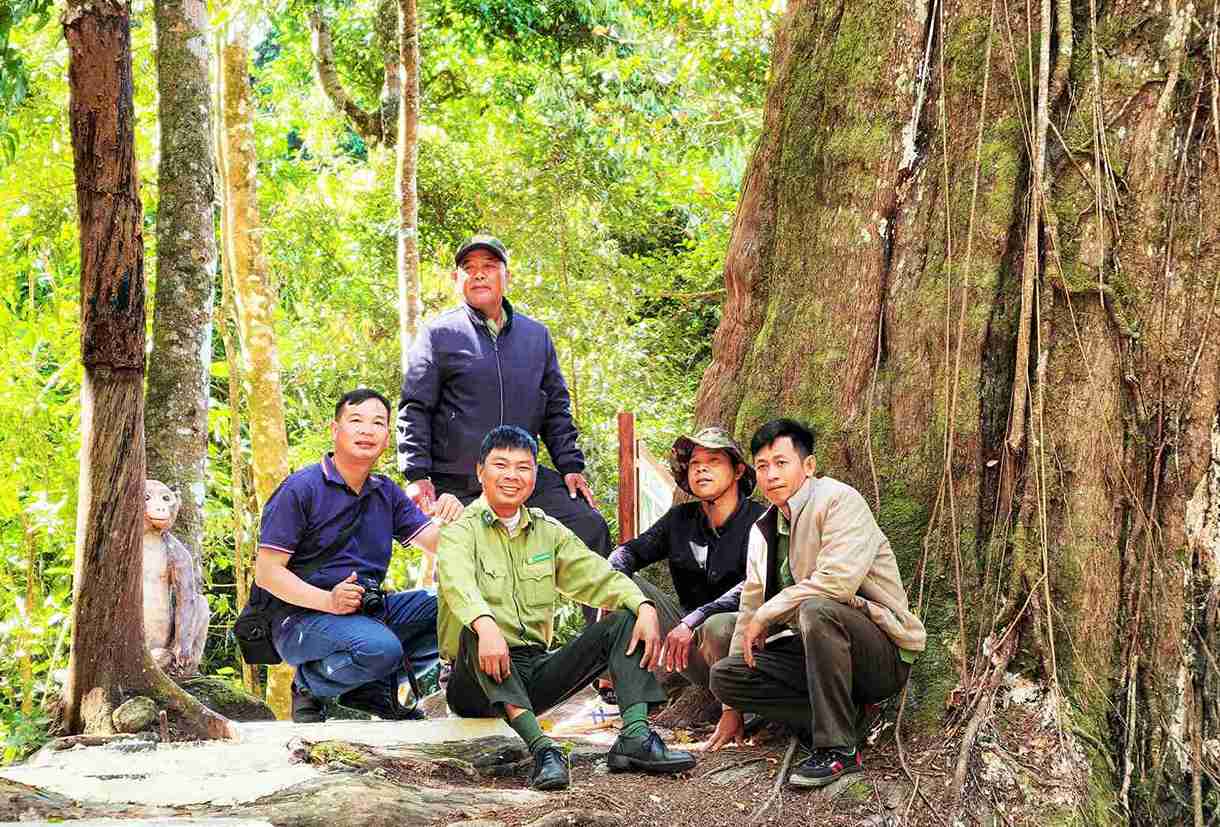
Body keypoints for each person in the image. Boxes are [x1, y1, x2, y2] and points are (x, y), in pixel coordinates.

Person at [436, 425, 696, 791]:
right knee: (477, 632)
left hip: (532, 670)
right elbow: (457, 584)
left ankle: (635, 736)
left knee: (624, 619)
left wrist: (644, 605)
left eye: (523, 467)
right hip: (472, 679)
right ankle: (543, 750)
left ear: (534, 475)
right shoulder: (460, 531)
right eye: (501, 465)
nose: (512, 476)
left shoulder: (548, 531)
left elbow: (598, 576)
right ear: (481, 472)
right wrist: (485, 624)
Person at [708, 419, 926, 788]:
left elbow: (837, 583)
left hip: (877, 653)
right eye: (762, 466)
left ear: (808, 466)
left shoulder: (839, 500)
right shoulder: (763, 528)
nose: (771, 474)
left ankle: (839, 749)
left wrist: (768, 613)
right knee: (726, 676)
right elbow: (749, 606)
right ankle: (845, 717)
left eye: (781, 462)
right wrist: (731, 709)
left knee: (817, 609)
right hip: (815, 653)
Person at [396, 235, 611, 580]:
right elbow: (414, 408)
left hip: (522, 480)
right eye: (469, 269)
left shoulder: (535, 336)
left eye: (489, 267)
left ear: (506, 276)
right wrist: (417, 475)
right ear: (457, 280)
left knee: (589, 526)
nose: (478, 275)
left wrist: (570, 465)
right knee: (466, 564)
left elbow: (555, 407)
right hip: (461, 485)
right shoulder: (438, 334)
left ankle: (604, 631)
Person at [254, 388, 464, 723]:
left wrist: (458, 515)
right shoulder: (300, 489)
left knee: (455, 605)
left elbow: (439, 543)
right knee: (379, 648)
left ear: (386, 437)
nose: (367, 430)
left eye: (378, 422)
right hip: (300, 617)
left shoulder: (385, 492)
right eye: (356, 420)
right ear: (335, 430)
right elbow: (267, 573)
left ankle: (371, 688)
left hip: (365, 610)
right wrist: (328, 601)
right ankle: (309, 685)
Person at [607, 427, 765, 689]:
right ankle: (629, 689)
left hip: (740, 648)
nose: (701, 469)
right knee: (619, 581)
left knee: (717, 625)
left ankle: (741, 707)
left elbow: (755, 586)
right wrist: (611, 579)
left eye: (713, 461)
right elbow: (630, 552)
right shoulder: (679, 519)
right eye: (695, 464)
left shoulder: (761, 520)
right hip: (686, 648)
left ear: (737, 471)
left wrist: (693, 620)